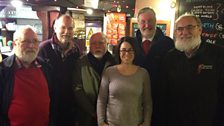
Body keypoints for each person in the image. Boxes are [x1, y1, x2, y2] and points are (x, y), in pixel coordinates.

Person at [162, 14, 224, 126]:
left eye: (190, 27)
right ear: (176, 32)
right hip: (176, 121)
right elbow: (166, 93)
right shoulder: (170, 57)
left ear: (200, 29)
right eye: (180, 29)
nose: (185, 32)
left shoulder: (218, 54)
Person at [0, 26, 52, 126]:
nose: (31, 46)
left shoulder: (46, 67)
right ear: (15, 44)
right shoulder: (3, 71)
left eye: (35, 41)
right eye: (26, 41)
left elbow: (53, 98)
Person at [97, 36, 152, 126]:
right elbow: (101, 100)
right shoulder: (109, 72)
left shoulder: (143, 73)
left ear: (135, 51)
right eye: (123, 50)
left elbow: (147, 102)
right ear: (118, 52)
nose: (127, 53)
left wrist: (146, 123)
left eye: (130, 50)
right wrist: (101, 123)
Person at [135, 7, 174, 126]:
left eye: (150, 20)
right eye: (143, 21)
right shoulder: (131, 43)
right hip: (136, 100)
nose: (147, 25)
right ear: (138, 23)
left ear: (156, 21)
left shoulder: (168, 43)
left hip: (160, 100)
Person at [38, 14, 80, 126]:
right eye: (63, 27)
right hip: (49, 106)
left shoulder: (76, 51)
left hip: (69, 106)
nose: (67, 31)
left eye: (70, 28)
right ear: (55, 28)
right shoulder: (43, 49)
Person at [73, 32, 115, 126]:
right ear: (89, 46)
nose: (97, 46)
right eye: (94, 43)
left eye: (101, 43)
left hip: (110, 116)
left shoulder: (115, 62)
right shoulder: (81, 63)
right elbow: (77, 89)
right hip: (87, 117)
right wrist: (93, 111)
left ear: (106, 44)